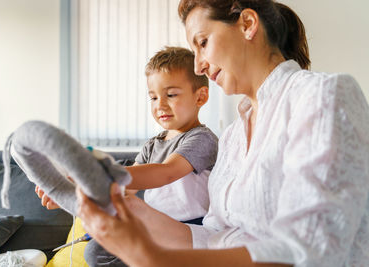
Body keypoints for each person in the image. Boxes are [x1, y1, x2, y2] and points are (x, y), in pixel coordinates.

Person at [75, 0, 369, 267]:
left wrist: (152, 257)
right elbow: (214, 238)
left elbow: (313, 247)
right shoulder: (232, 137)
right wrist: (133, 210)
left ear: (247, 24)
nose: (198, 64)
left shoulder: (322, 95)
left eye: (202, 43)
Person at [36, 47, 218, 266]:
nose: (159, 105)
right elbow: (124, 187)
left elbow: (166, 173)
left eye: (171, 95)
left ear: (201, 97)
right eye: (153, 97)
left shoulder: (202, 138)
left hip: (190, 229)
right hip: (152, 226)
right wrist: (73, 191)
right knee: (96, 251)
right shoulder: (153, 145)